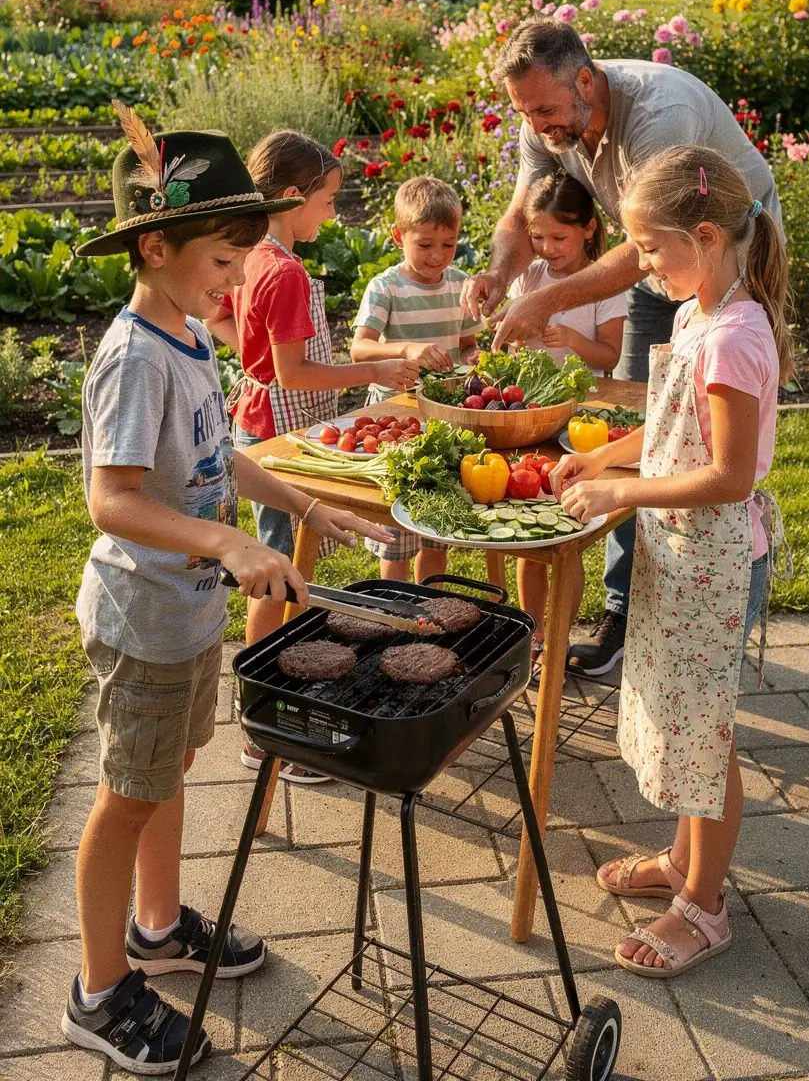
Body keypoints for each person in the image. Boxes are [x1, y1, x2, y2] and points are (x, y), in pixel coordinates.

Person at [63, 118, 392, 1074]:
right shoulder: (135, 356)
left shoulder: (187, 335)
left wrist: (304, 504)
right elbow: (111, 499)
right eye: (221, 259)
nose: (238, 277)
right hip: (143, 619)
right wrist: (225, 542)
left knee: (169, 772)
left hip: (187, 613)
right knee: (127, 797)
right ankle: (97, 992)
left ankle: (157, 926)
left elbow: (220, 455)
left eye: (244, 256)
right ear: (154, 248)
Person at [461, 20, 781, 677]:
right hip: (667, 259)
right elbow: (519, 218)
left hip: (720, 256)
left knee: (704, 425)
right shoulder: (545, 115)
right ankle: (628, 607)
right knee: (650, 419)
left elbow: (644, 251)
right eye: (525, 113)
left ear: (585, 80)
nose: (536, 126)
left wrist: (546, 300)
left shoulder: (659, 116)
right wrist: (498, 275)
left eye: (544, 110)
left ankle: (662, 598)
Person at [552, 144, 793, 978]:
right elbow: (666, 427)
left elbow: (728, 476)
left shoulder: (734, 337)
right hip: (680, 555)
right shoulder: (695, 315)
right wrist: (605, 457)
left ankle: (706, 906)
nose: (644, 267)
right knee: (681, 722)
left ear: (707, 237)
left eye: (652, 250)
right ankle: (684, 862)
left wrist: (622, 494)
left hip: (714, 560)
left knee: (705, 737)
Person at [207, 130, 416, 778]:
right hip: (280, 432)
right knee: (277, 573)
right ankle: (266, 722)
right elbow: (295, 375)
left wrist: (255, 359)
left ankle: (270, 704)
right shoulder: (287, 272)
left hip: (256, 421)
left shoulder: (250, 255)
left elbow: (220, 321)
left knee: (277, 565)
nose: (332, 212)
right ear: (295, 196)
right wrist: (378, 373)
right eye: (328, 200)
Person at [508, 172, 627, 656]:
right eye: (538, 238)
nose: (548, 248)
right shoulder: (530, 277)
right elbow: (514, 341)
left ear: (588, 228)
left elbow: (610, 357)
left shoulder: (605, 285)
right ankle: (532, 634)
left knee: (564, 535)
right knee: (529, 534)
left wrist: (575, 341)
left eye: (559, 237)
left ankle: (559, 636)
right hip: (532, 420)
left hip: (578, 430)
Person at [351, 176, 481, 581]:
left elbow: (467, 344)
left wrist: (475, 358)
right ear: (398, 236)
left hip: (442, 416)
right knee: (397, 530)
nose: (437, 256)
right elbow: (360, 349)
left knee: (436, 525)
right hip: (395, 416)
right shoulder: (386, 287)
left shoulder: (459, 284)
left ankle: (431, 601)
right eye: (425, 245)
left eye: (449, 244)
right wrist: (406, 349)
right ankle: (395, 603)